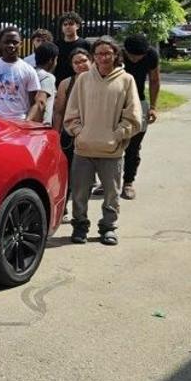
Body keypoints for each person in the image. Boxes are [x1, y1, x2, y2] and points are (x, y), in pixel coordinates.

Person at [62, 36, 142, 246]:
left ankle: (108, 227)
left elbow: (134, 117)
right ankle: (80, 226)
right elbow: (71, 113)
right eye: (98, 54)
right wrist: (80, 132)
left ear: (116, 54)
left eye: (107, 53)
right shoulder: (83, 79)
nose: (103, 58)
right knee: (79, 193)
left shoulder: (126, 80)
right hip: (84, 149)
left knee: (111, 194)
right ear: (93, 57)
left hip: (111, 151)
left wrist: (117, 135)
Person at [52, 47, 91, 221]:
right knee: (66, 173)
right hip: (70, 135)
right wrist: (56, 134)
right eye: (76, 62)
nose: (81, 65)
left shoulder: (101, 82)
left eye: (84, 60)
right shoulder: (66, 84)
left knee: (85, 177)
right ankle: (63, 208)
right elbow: (59, 111)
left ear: (91, 61)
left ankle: (80, 213)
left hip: (93, 135)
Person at [121, 33, 161, 200]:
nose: (136, 60)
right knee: (111, 143)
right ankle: (109, 181)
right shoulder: (117, 54)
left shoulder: (151, 55)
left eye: (139, 57)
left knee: (133, 145)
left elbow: (154, 80)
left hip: (139, 101)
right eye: (132, 57)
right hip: (116, 101)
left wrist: (152, 107)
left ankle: (128, 182)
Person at [0, 28, 45, 120]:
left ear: (21, 44)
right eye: (7, 42)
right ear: (0, 44)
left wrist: (27, 121)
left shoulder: (29, 70)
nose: (11, 45)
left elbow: (34, 103)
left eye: (15, 42)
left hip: (19, 122)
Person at [54, 11, 94, 84]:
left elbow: (92, 63)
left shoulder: (85, 44)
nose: (67, 27)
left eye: (71, 24)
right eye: (65, 24)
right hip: (61, 83)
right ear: (61, 27)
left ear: (77, 26)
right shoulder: (56, 45)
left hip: (83, 81)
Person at [30, 43, 59, 125]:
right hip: (39, 127)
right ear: (51, 60)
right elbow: (41, 103)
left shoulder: (30, 73)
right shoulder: (47, 77)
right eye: (56, 59)